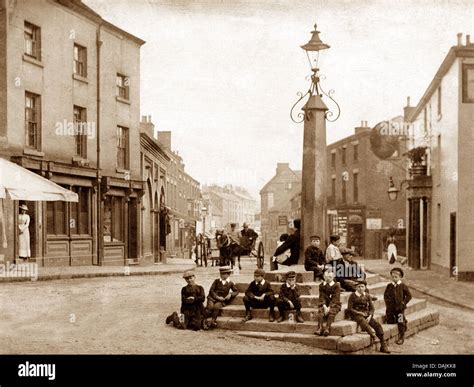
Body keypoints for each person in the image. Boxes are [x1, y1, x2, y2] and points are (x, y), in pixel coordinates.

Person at [347, 278, 390, 353]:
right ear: (355, 287)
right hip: (356, 314)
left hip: (367, 314)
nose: (360, 288)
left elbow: (372, 308)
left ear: (365, 287)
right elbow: (350, 308)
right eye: (359, 287)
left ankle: (383, 344)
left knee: (377, 325)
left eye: (362, 286)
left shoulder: (367, 295)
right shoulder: (352, 296)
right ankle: (372, 334)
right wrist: (359, 313)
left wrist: (370, 316)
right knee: (362, 321)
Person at [384, 267, 412, 345]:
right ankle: (401, 319)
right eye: (392, 277)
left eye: (396, 277)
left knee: (400, 321)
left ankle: (401, 337)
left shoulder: (403, 286)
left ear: (400, 277)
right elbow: (385, 296)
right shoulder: (389, 286)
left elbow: (409, 296)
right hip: (391, 308)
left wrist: (403, 303)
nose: (394, 278)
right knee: (389, 320)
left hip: (400, 308)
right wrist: (388, 304)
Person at [314, 267, 341, 336]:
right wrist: (324, 306)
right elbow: (322, 296)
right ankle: (319, 327)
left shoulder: (336, 286)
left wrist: (329, 307)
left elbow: (336, 298)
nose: (328, 278)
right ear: (323, 276)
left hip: (334, 303)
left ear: (333, 276)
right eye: (326, 277)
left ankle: (327, 328)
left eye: (330, 277)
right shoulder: (321, 285)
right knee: (321, 311)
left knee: (332, 312)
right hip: (324, 304)